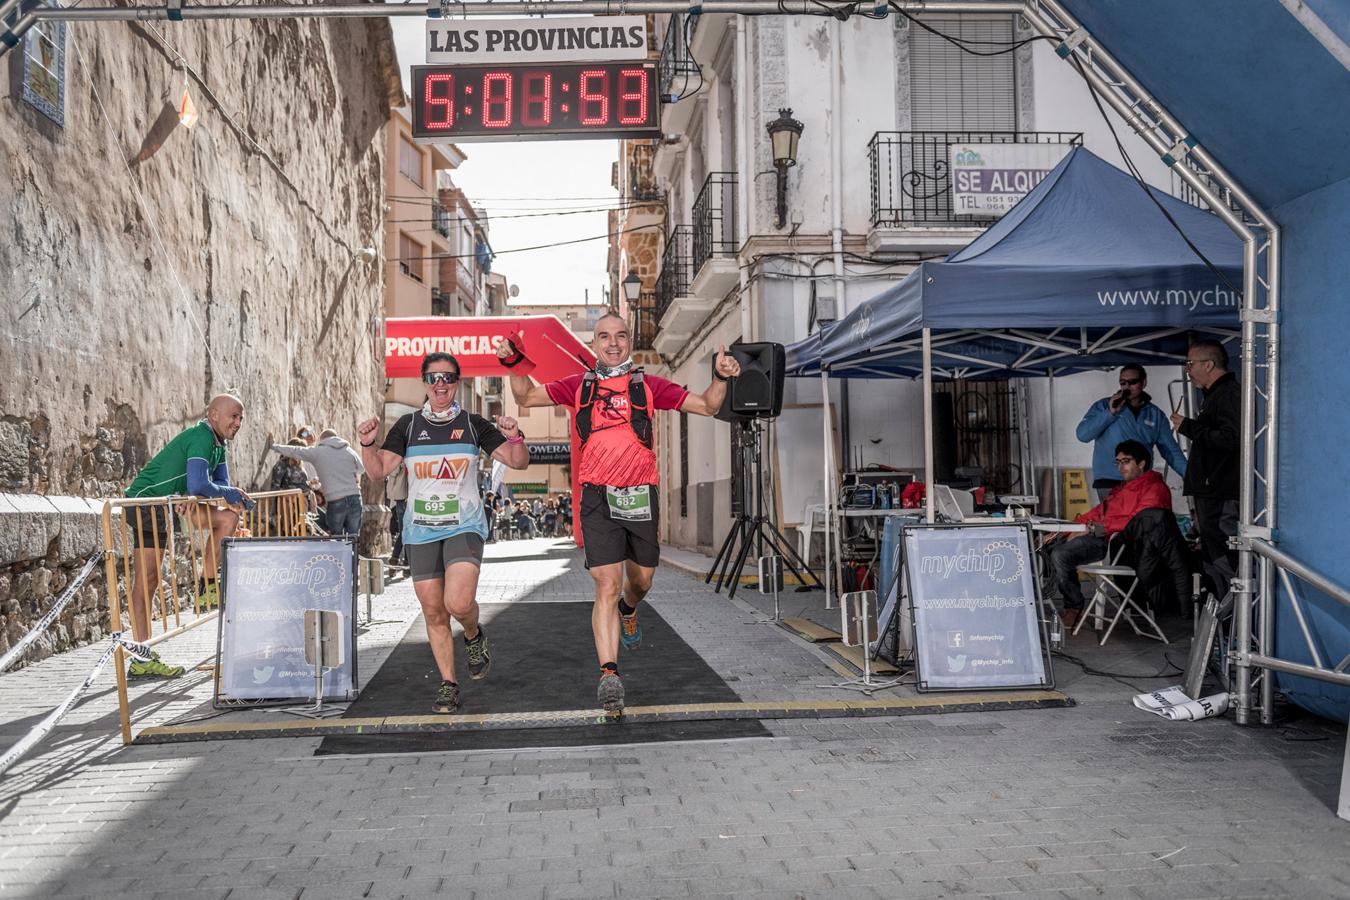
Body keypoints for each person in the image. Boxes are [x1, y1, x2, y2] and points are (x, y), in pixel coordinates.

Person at [499, 313, 741, 714]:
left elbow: (709, 405)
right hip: (597, 496)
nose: (612, 343)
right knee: (606, 586)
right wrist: (513, 362)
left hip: (640, 495)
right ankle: (609, 675)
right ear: (593, 343)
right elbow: (525, 396)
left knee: (641, 581)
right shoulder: (580, 386)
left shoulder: (647, 386)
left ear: (629, 341)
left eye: (620, 336)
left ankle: (631, 609)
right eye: (604, 336)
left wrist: (720, 376)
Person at [357, 352, 529, 713]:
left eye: (447, 378)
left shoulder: (473, 424)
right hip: (420, 530)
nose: (440, 384)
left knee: (459, 603)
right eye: (433, 378)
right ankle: (449, 684)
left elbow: (517, 461)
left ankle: (472, 633)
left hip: (463, 524)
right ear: (425, 383)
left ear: (457, 383)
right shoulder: (407, 425)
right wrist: (368, 443)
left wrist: (515, 438)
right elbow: (377, 472)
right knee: (434, 612)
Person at [123, 394, 251, 677]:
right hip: (147, 502)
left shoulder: (218, 444)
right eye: (233, 416)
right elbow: (201, 483)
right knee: (147, 581)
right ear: (214, 414)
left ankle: (206, 587)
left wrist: (210, 495)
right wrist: (215, 493)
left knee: (228, 518)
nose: (238, 422)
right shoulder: (202, 436)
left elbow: (219, 485)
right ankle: (140, 657)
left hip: (172, 502)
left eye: (241, 417)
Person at [1046, 440, 1172, 625]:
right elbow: (1096, 513)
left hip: (1123, 546)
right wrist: (1061, 530)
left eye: (1126, 461)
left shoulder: (1155, 489)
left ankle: (1074, 606)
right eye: (1118, 462)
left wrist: (1096, 528)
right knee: (1050, 547)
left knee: (1061, 554)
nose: (1121, 467)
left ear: (1142, 463)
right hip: (1104, 536)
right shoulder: (1120, 489)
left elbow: (1138, 523)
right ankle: (1057, 604)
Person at [1171, 339, 1241, 599]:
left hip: (1221, 492)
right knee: (1211, 557)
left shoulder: (1229, 394)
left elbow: (1231, 438)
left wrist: (1190, 427)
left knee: (1224, 555)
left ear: (1209, 364)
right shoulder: (1213, 396)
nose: (1187, 370)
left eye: (1191, 363)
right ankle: (1225, 623)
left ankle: (1242, 622)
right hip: (1210, 492)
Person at [1076, 364, 1187, 501]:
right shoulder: (1103, 406)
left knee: (1141, 521)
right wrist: (1110, 413)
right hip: (1109, 480)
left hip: (1140, 480)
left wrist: (1189, 475)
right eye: (1123, 383)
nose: (1127, 386)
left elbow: (1170, 450)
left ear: (1143, 382)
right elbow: (1082, 435)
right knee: (1115, 521)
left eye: (1132, 382)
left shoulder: (1155, 414)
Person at [270, 428, 366, 537]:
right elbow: (361, 469)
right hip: (355, 497)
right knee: (353, 537)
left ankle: (339, 553)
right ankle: (352, 554)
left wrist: (274, 446)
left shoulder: (318, 451)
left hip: (336, 500)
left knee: (336, 538)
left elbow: (295, 450)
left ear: (322, 440)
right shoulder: (349, 450)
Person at [386, 463, 409, 567]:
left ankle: (395, 558)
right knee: (409, 532)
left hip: (401, 499)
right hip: (409, 499)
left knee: (403, 532)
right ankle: (406, 562)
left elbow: (392, 473)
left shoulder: (398, 458)